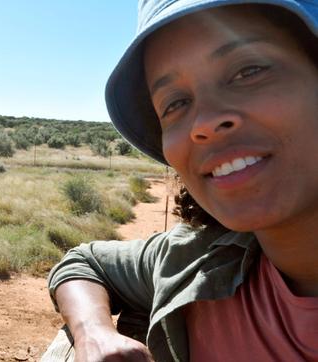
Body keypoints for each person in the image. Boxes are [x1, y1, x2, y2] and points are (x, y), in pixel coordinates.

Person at [42, 0, 318, 361]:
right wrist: (92, 331)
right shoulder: (198, 257)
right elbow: (84, 262)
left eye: (248, 71)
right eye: (174, 103)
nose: (203, 122)